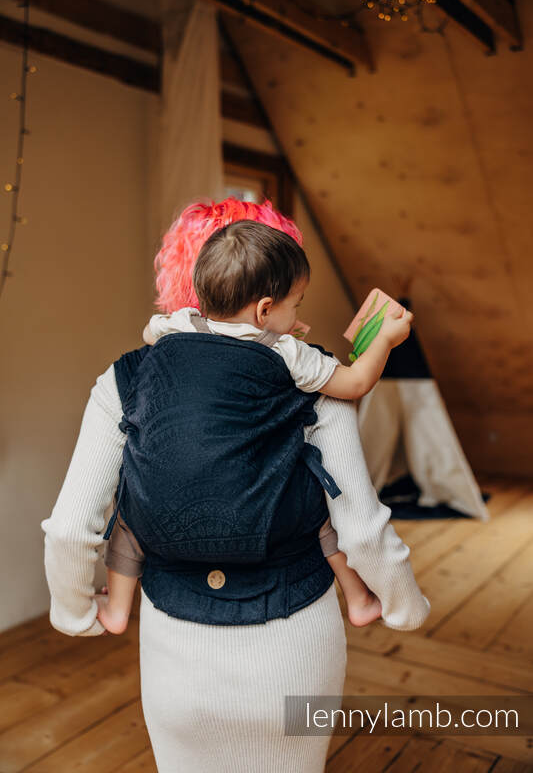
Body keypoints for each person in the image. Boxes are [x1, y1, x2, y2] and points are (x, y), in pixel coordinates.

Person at [41, 197, 430, 773]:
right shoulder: (304, 369)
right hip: (294, 647)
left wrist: (75, 613)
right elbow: (361, 526)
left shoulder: (125, 379)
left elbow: (73, 529)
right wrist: (404, 606)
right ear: (267, 301)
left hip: (177, 656)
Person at [97, 218, 413, 636]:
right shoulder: (287, 352)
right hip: (255, 515)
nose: (297, 317)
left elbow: (148, 332)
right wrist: (385, 340)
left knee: (130, 512)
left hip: (164, 519)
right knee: (320, 509)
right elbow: (355, 383)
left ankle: (117, 608)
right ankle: (358, 598)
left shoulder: (177, 324)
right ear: (265, 309)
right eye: (296, 305)